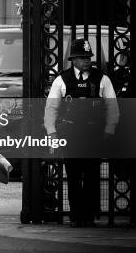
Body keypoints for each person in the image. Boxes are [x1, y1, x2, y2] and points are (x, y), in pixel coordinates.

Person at [44, 38, 119, 228]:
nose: (87, 61)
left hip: (93, 134)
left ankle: (88, 216)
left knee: (93, 177)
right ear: (73, 60)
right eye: (82, 57)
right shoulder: (62, 79)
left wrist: (109, 130)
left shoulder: (102, 79)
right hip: (71, 135)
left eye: (88, 57)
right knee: (74, 177)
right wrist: (52, 132)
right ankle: (76, 216)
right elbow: (51, 108)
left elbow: (113, 107)